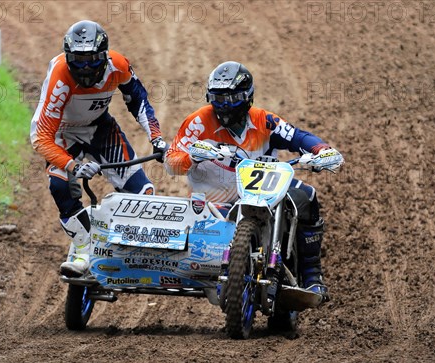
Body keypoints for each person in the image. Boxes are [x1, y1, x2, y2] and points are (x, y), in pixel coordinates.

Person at [164, 61, 344, 302]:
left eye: (232, 98)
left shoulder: (264, 120)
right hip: (216, 199)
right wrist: (191, 157)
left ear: (248, 97)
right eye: (218, 98)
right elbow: (170, 163)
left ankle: (313, 276)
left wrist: (322, 150)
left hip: (264, 191)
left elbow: (298, 136)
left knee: (307, 195)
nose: (225, 106)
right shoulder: (198, 122)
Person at [30, 20, 168, 277]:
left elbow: (138, 101)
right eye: (78, 60)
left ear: (104, 56)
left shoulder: (119, 65)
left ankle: (130, 245)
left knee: (142, 192)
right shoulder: (60, 77)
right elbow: (40, 138)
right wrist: (73, 166)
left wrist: (157, 138)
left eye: (92, 59)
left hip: (100, 129)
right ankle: (83, 250)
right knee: (60, 187)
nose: (85, 67)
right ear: (67, 57)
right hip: (61, 134)